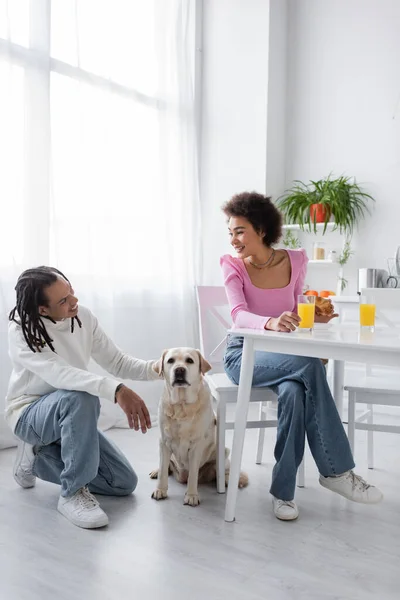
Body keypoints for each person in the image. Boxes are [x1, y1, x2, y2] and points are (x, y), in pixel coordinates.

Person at [220, 191, 383, 521]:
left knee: (295, 393)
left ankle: (283, 494)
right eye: (230, 232)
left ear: (262, 229)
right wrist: (270, 322)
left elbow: (297, 309)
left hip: (286, 356)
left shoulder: (295, 260)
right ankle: (337, 471)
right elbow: (238, 314)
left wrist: (314, 318)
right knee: (309, 367)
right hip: (244, 357)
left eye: (239, 230)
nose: (233, 239)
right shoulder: (232, 266)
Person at [6, 266, 160, 529]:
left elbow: (117, 361)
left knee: (123, 482)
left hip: (72, 414)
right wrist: (117, 391)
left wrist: (160, 368)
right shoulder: (23, 331)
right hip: (30, 415)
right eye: (63, 300)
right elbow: (61, 375)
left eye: (71, 291)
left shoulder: (82, 317)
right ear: (42, 310)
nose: (74, 301)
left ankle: (36, 459)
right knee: (82, 396)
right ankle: (71, 494)